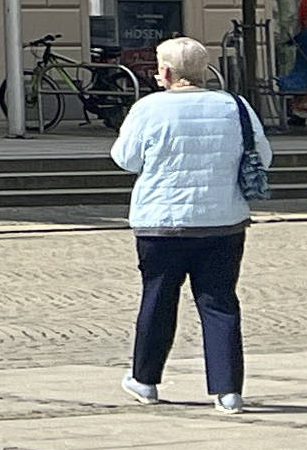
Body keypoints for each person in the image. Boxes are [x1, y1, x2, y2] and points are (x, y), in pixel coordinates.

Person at [109, 34, 265, 410]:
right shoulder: (235, 106)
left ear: (165, 71)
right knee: (220, 302)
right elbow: (263, 155)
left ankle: (145, 380)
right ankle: (228, 391)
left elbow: (126, 159)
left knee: (158, 298)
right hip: (222, 220)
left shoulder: (148, 109)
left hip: (160, 223)